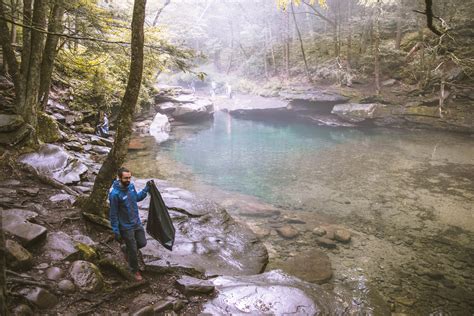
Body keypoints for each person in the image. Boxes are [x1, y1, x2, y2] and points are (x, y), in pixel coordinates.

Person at [109, 167, 154, 281]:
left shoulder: (131, 187)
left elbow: (137, 198)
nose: (128, 180)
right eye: (126, 178)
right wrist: (115, 230)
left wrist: (146, 189)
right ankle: (134, 271)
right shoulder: (115, 194)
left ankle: (126, 249)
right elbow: (113, 214)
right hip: (125, 226)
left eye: (129, 177)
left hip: (136, 222)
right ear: (120, 178)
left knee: (142, 243)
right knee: (133, 249)